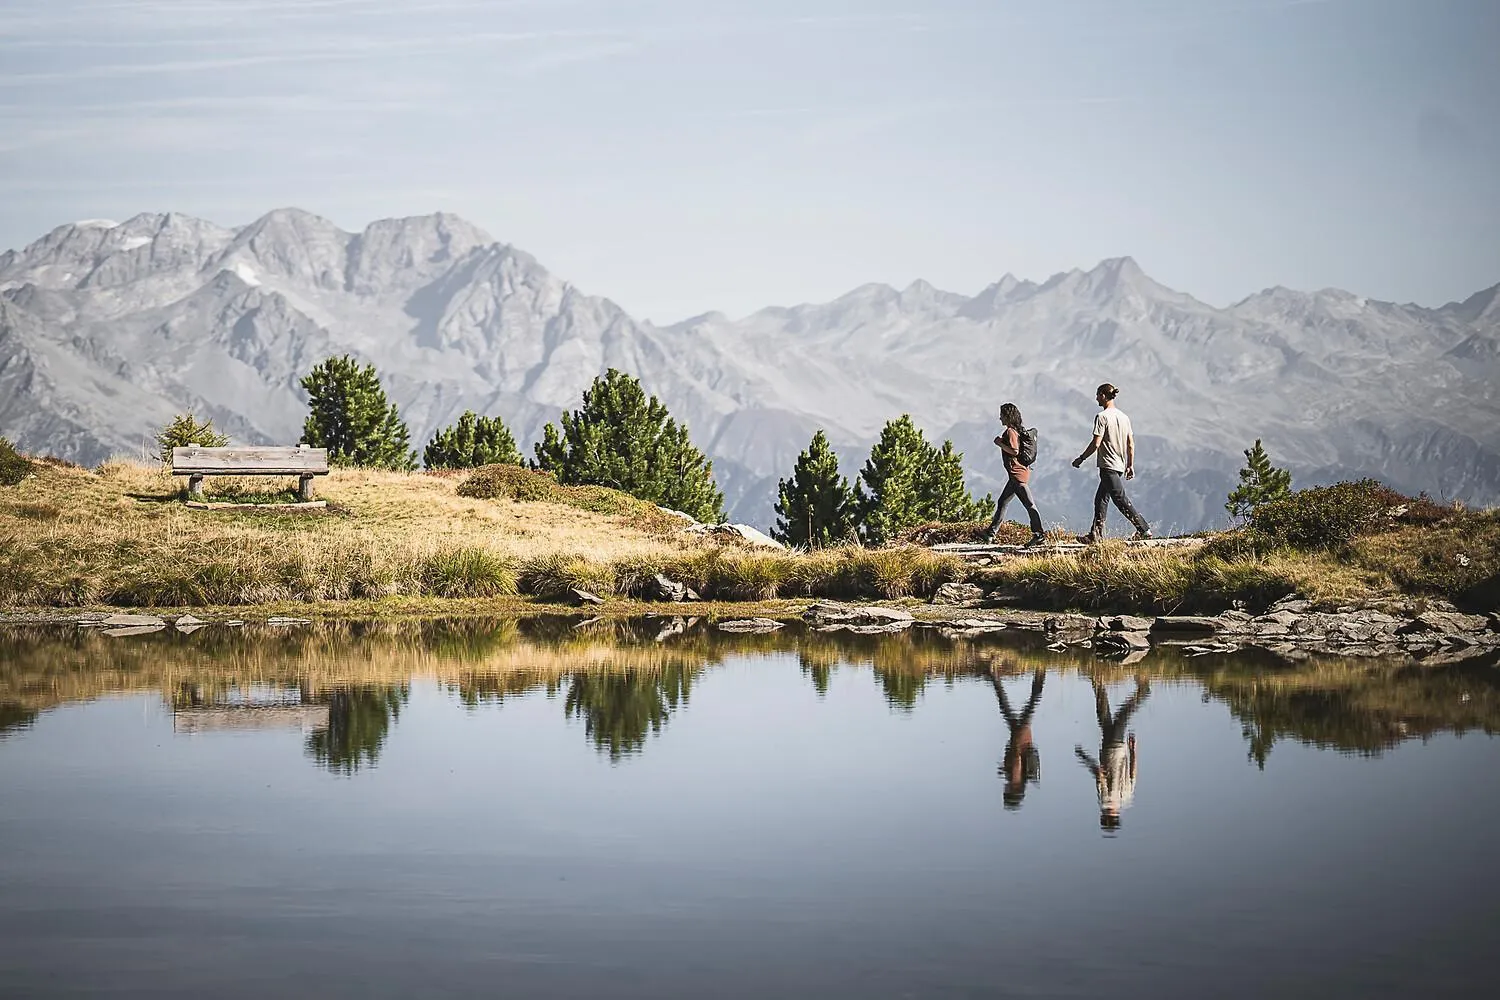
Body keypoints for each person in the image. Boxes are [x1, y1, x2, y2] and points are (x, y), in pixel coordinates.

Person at [1070, 382, 1151, 543]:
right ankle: (1095, 535)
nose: (1096, 398)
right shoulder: (1124, 417)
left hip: (1108, 465)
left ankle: (1144, 529)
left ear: (1103, 395)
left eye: (1097, 395)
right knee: (1101, 499)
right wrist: (1130, 465)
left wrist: (1081, 458)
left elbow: (1096, 443)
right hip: (1119, 465)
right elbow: (1130, 444)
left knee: (1120, 499)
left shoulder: (1102, 417)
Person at [1075, 676, 1149, 831]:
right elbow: (1100, 774)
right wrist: (1083, 757)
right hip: (1111, 750)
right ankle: (1143, 692)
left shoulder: (1127, 798)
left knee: (1104, 715)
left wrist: (1133, 750)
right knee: (1121, 715)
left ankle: (1098, 681)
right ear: (1105, 816)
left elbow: (1133, 773)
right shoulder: (1105, 799)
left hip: (1118, 749)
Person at [984, 402, 1046, 546]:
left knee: (1029, 504)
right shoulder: (1017, 430)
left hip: (1017, 475)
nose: (1000, 418)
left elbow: (1014, 451)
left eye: (1001, 415)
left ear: (1007, 416)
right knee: (1003, 502)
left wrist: (999, 443)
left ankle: (1039, 534)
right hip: (1017, 474)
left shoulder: (1010, 431)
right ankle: (990, 533)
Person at [990, 666, 1045, 810]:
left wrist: (1004, 767)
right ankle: (994, 674)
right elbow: (1016, 756)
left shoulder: (1024, 775)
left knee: (1021, 703)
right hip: (1020, 736)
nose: (1005, 788)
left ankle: (1040, 672)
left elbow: (1016, 756)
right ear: (1013, 790)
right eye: (1007, 791)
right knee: (1028, 702)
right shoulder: (1016, 776)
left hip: (1021, 736)